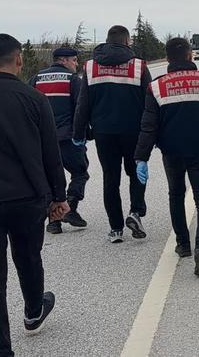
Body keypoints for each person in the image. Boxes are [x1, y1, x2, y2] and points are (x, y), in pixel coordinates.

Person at [0, 34, 69, 356]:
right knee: (28, 258)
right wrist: (58, 197)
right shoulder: (34, 99)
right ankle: (34, 311)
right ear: (19, 60)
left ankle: (0, 350)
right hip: (26, 200)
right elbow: (51, 153)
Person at [134, 38, 199, 276]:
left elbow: (148, 126)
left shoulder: (157, 87)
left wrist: (141, 157)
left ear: (168, 59)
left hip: (172, 152)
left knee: (176, 195)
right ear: (191, 57)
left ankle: (183, 244)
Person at [73, 25, 152, 243]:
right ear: (127, 42)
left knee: (111, 178)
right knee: (136, 172)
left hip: (104, 133)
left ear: (107, 41)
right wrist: (152, 134)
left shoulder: (91, 67)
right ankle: (135, 212)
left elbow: (83, 104)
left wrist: (79, 133)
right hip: (133, 132)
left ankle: (116, 229)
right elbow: (150, 102)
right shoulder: (139, 67)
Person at [28, 46, 90, 234]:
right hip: (67, 138)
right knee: (80, 173)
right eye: (74, 60)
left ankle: (53, 222)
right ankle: (70, 207)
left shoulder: (36, 79)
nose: (76, 64)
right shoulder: (73, 80)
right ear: (63, 60)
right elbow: (81, 109)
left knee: (49, 179)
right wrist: (84, 133)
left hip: (41, 140)